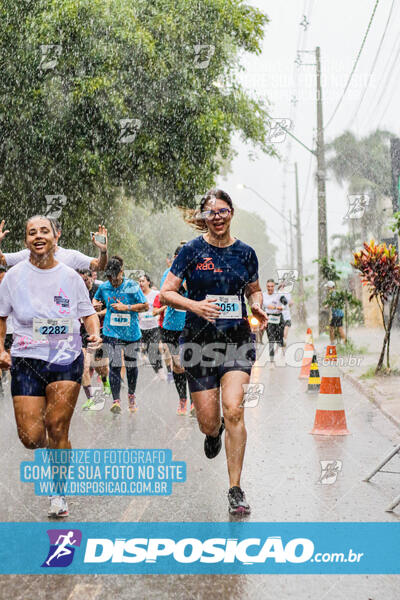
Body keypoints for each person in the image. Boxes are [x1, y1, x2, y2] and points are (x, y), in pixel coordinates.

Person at [160, 189, 268, 515]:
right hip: (198, 342)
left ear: (231, 213)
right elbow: (167, 293)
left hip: (236, 340)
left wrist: (258, 307)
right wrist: (195, 304)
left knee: (234, 409)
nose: (217, 217)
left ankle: (235, 488)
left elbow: (255, 290)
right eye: (211, 212)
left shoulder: (246, 253)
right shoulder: (191, 251)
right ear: (203, 217)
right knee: (209, 421)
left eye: (222, 211)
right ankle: (213, 430)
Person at [0, 215, 101, 518]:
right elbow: (2, 317)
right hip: (26, 359)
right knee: (31, 438)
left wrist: (94, 333)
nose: (39, 236)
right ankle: (58, 447)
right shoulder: (13, 277)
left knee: (57, 427)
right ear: (26, 240)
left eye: (45, 231)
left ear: (56, 237)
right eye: (32, 232)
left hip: (65, 358)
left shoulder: (70, 276)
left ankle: (58, 493)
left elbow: (87, 314)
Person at [93, 258, 148, 414]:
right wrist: (95, 303)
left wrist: (126, 307)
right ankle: (116, 400)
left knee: (131, 365)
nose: (113, 281)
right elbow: (96, 299)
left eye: (115, 277)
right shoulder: (104, 287)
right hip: (111, 331)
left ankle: (131, 395)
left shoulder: (132, 286)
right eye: (109, 278)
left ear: (121, 273)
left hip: (131, 332)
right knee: (115, 365)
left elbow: (145, 306)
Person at [0, 218, 108, 272]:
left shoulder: (71, 256)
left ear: (58, 234)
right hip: (33, 313)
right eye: (38, 232)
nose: (41, 236)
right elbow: (2, 259)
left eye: (46, 231)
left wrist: (103, 251)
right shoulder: (27, 255)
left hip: (61, 314)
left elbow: (99, 266)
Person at [160, 244, 191, 415]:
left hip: (191, 325)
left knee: (191, 363)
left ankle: (194, 400)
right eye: (178, 257)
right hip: (171, 326)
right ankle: (182, 398)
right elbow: (162, 298)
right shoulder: (168, 274)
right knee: (178, 365)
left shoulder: (196, 274)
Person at [77, 269, 111, 409]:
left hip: (99, 331)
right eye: (81, 280)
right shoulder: (76, 291)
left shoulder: (100, 290)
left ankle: (105, 381)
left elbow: (111, 309)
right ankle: (91, 398)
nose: (83, 283)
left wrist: (96, 312)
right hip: (82, 333)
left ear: (92, 278)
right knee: (84, 367)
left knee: (101, 367)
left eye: (86, 280)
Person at [138, 274, 165, 380]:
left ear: (148, 282)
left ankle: (161, 370)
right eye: (139, 281)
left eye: (143, 281)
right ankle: (157, 370)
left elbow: (164, 303)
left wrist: (160, 313)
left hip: (154, 326)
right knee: (148, 351)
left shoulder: (156, 294)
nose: (140, 283)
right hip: (141, 327)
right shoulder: (137, 295)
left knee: (153, 348)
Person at [262, 279, 284, 365]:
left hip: (279, 317)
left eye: (271, 286)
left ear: (274, 286)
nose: (270, 288)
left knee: (279, 338)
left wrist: (282, 305)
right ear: (266, 286)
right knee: (271, 339)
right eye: (268, 286)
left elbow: (284, 302)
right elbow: (264, 305)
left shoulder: (278, 294)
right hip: (269, 318)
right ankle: (271, 360)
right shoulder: (263, 295)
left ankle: (283, 355)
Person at [277, 280, 294, 347]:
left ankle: (283, 353)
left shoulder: (287, 293)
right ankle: (278, 350)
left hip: (287, 316)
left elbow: (291, 303)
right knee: (281, 336)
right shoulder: (277, 293)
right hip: (280, 316)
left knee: (285, 336)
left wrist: (289, 304)